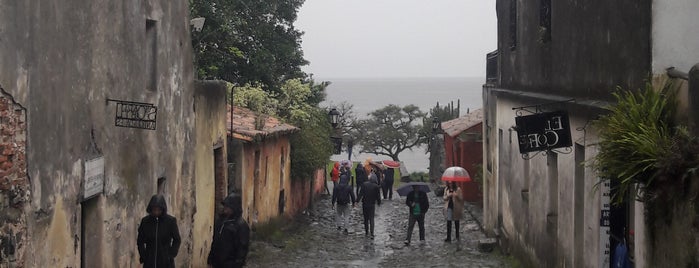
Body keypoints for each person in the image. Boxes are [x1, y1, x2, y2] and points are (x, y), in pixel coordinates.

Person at [137, 194, 181, 268]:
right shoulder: (145, 222)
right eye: (154, 210)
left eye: (159, 210)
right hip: (149, 261)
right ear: (151, 209)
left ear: (163, 209)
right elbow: (140, 241)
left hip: (166, 262)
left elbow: (177, 239)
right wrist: (144, 255)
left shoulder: (170, 221)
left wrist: (171, 255)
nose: (156, 212)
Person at [208, 193, 250, 268]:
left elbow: (242, 247)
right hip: (217, 263)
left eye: (228, 206)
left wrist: (237, 264)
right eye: (225, 206)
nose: (225, 208)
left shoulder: (241, 225)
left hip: (230, 264)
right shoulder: (220, 221)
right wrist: (210, 258)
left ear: (234, 208)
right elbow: (215, 241)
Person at [358, 174, 381, 238]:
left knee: (365, 218)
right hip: (372, 204)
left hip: (365, 203)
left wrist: (357, 201)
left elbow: (361, 193)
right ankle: (372, 233)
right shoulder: (376, 186)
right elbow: (378, 196)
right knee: (371, 218)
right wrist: (379, 202)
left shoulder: (364, 184)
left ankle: (366, 231)